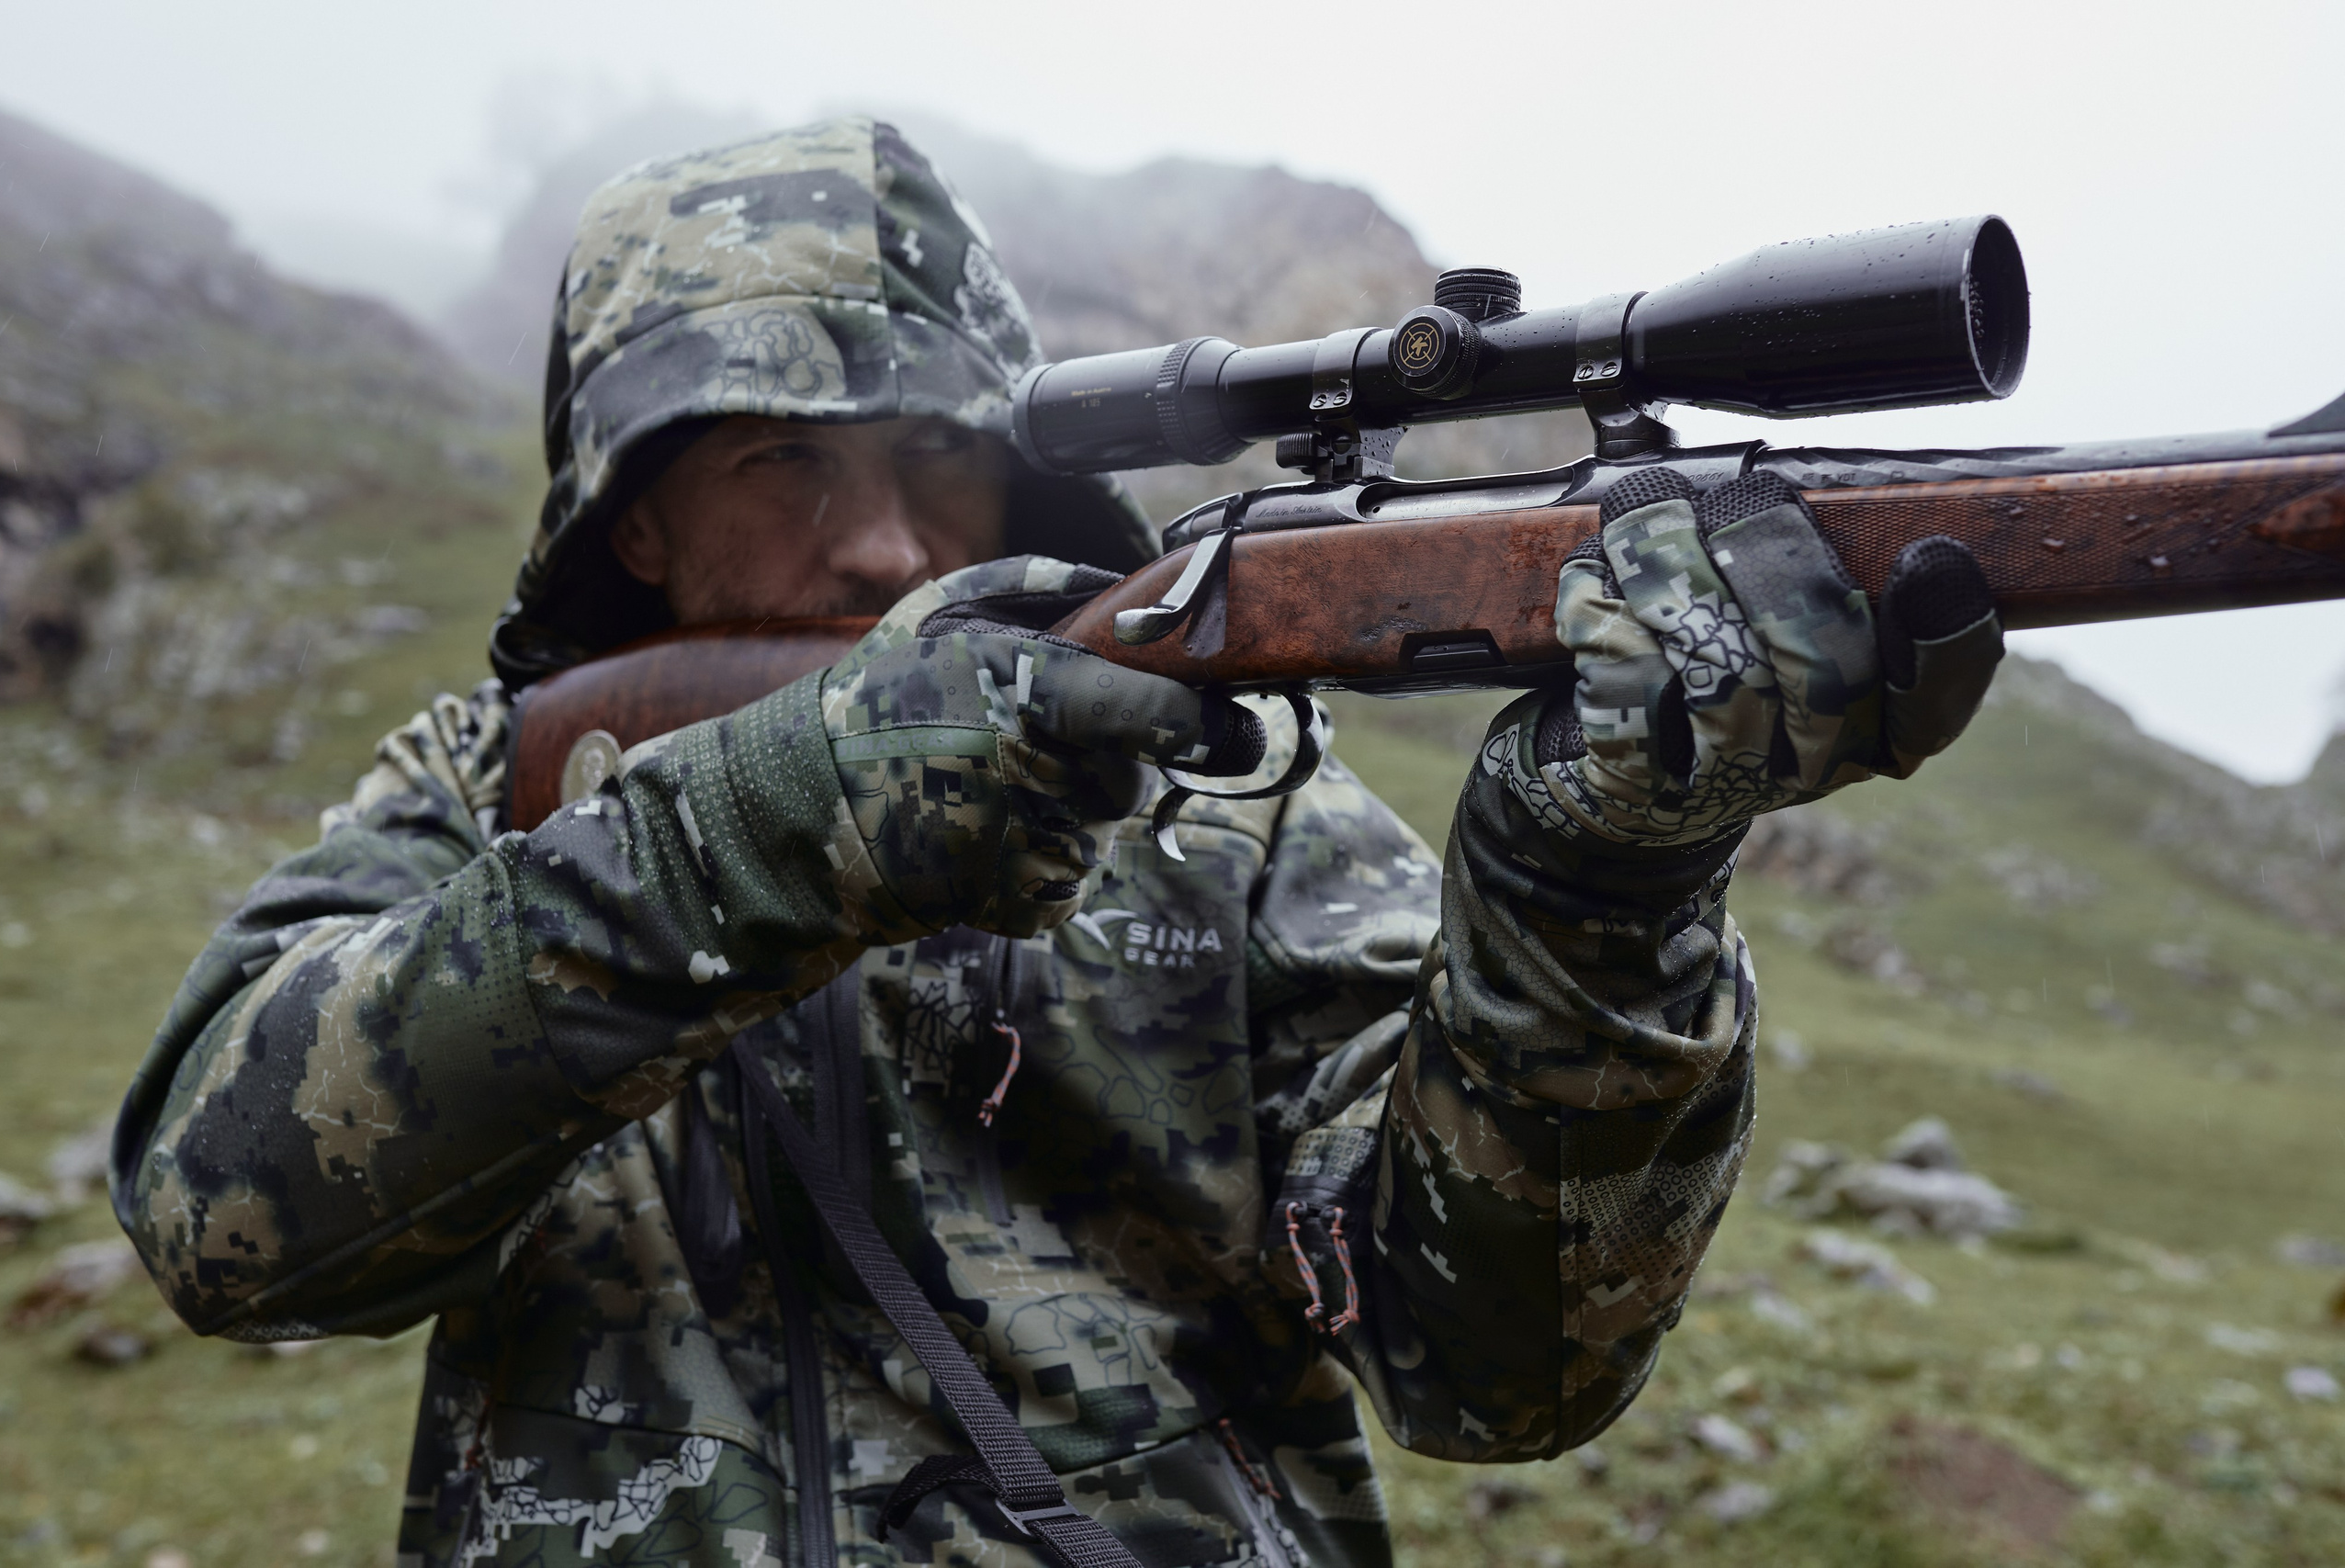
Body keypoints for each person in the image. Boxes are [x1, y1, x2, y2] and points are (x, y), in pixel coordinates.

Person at [111, 118, 2003, 1568]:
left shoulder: (1231, 799)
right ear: (634, 525)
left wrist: (1596, 890)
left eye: (941, 456)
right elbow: (224, 1217)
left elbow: (1502, 1373)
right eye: (782, 460)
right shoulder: (495, 788)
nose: (884, 541)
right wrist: (768, 830)